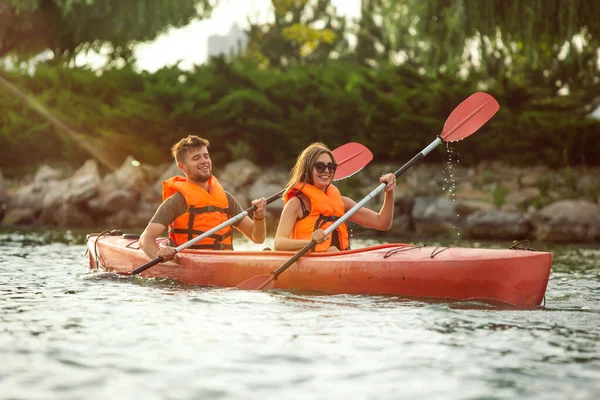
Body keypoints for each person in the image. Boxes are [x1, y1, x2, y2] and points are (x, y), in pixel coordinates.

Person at [140, 135, 267, 261]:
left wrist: (259, 218)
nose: (204, 161)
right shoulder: (177, 201)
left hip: (225, 262)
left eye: (206, 156)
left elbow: (257, 238)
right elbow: (146, 239)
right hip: (190, 264)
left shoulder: (227, 199)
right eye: (196, 158)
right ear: (182, 167)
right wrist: (165, 262)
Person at [274, 142, 396, 252]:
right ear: (307, 170)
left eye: (331, 167)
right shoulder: (296, 204)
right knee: (332, 250)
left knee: (333, 250)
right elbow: (279, 243)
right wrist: (310, 242)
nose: (327, 171)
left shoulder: (343, 203)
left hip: (338, 260)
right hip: (309, 264)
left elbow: (383, 223)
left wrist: (389, 192)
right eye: (320, 167)